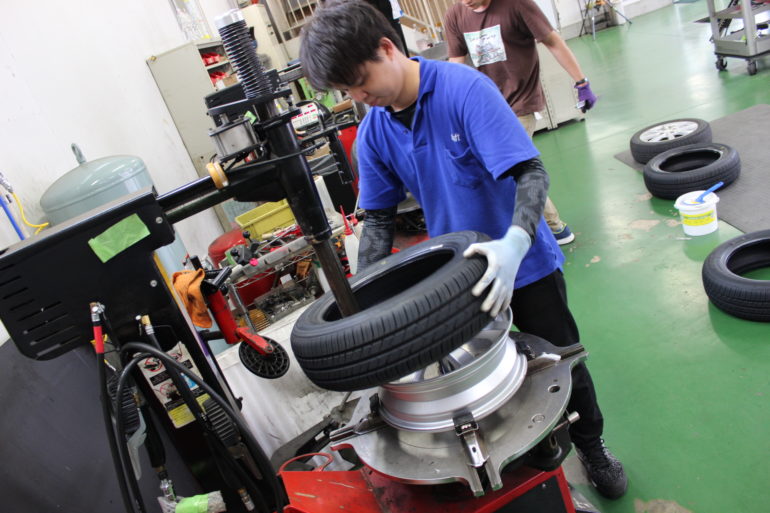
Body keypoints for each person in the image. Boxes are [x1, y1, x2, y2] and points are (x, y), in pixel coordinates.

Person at [299, 0, 626, 499]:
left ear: (387, 48)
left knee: (558, 361)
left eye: (361, 82)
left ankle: (591, 443)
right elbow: (379, 219)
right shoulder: (374, 132)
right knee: (483, 380)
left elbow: (530, 172)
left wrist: (516, 243)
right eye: (347, 92)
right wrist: (367, 304)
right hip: (455, 281)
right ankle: (531, 457)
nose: (359, 97)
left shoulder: (465, 90)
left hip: (523, 263)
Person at [444, 0, 599, 246]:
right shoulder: (455, 14)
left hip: (521, 101)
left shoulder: (517, 4)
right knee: (504, 167)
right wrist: (450, 107)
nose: (465, 1)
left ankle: (553, 227)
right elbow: (456, 63)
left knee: (512, 166)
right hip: (487, 104)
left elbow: (552, 41)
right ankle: (545, 226)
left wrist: (581, 82)